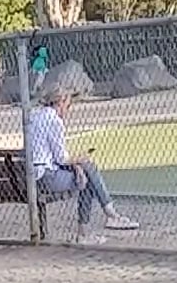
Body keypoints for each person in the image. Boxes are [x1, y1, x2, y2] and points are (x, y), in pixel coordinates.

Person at [26, 89, 138, 242]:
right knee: (87, 176)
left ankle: (110, 214)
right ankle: (97, 224)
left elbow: (47, 155)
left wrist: (77, 164)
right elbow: (61, 158)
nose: (67, 110)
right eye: (68, 106)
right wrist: (78, 160)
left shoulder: (33, 116)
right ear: (60, 103)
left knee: (86, 168)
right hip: (45, 178)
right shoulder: (54, 120)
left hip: (27, 176)